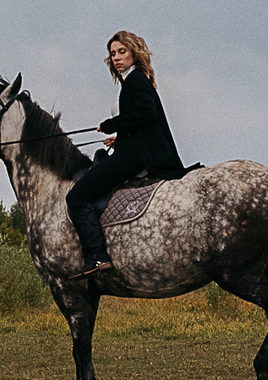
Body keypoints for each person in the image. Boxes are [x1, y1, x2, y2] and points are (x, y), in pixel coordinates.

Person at [67, 31, 187, 278]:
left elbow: (146, 114)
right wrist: (119, 136)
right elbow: (140, 124)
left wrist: (113, 124)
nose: (117, 58)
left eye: (122, 52)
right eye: (113, 54)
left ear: (134, 52)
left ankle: (98, 256)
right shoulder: (131, 81)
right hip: (131, 149)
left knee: (76, 197)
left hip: (134, 158)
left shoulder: (136, 80)